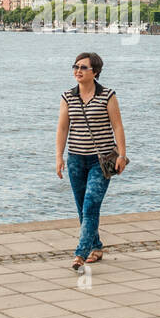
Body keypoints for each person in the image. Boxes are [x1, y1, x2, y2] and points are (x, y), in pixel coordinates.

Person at [56, 51, 128, 272]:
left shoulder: (108, 95)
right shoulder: (68, 96)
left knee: (90, 205)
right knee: (82, 208)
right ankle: (96, 247)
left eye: (83, 67)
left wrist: (122, 155)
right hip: (76, 159)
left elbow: (117, 126)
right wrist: (59, 156)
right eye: (75, 67)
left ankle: (81, 252)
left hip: (101, 160)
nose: (78, 71)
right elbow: (62, 127)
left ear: (94, 72)